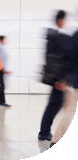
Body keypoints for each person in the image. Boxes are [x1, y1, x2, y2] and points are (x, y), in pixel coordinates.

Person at [38, 10, 70, 141]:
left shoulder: (52, 36)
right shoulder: (55, 36)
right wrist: (58, 79)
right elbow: (54, 59)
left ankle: (45, 131)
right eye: (64, 19)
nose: (65, 22)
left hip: (55, 76)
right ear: (60, 20)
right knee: (54, 104)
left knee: (55, 103)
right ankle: (44, 132)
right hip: (57, 77)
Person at [50, 13, 78, 148]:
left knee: (69, 110)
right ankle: (55, 140)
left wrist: (63, 78)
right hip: (74, 81)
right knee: (69, 111)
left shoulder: (75, 35)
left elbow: (67, 58)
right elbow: (68, 58)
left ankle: (56, 139)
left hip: (72, 80)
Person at [0, 36, 12, 107]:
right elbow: (0, 60)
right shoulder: (0, 48)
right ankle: (2, 102)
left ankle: (1, 100)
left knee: (2, 85)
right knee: (2, 85)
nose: (6, 41)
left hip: (0, 69)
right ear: (2, 40)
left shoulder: (0, 48)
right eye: (5, 40)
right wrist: (5, 69)